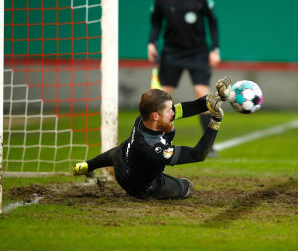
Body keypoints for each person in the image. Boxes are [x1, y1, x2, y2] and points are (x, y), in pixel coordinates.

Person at [72, 77, 232, 199]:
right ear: (156, 116)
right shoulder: (154, 149)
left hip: (122, 161)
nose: (173, 112)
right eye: (170, 110)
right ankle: (168, 187)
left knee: (118, 152)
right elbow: (197, 155)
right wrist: (215, 122)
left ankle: (86, 165)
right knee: (187, 187)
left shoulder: (145, 118)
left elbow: (186, 108)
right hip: (138, 186)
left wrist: (214, 97)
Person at [147, 0, 220, 156]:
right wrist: (152, 42)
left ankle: (208, 145)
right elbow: (155, 22)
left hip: (197, 52)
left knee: (203, 96)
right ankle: (154, 140)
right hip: (171, 52)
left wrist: (215, 48)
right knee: (163, 98)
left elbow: (212, 21)